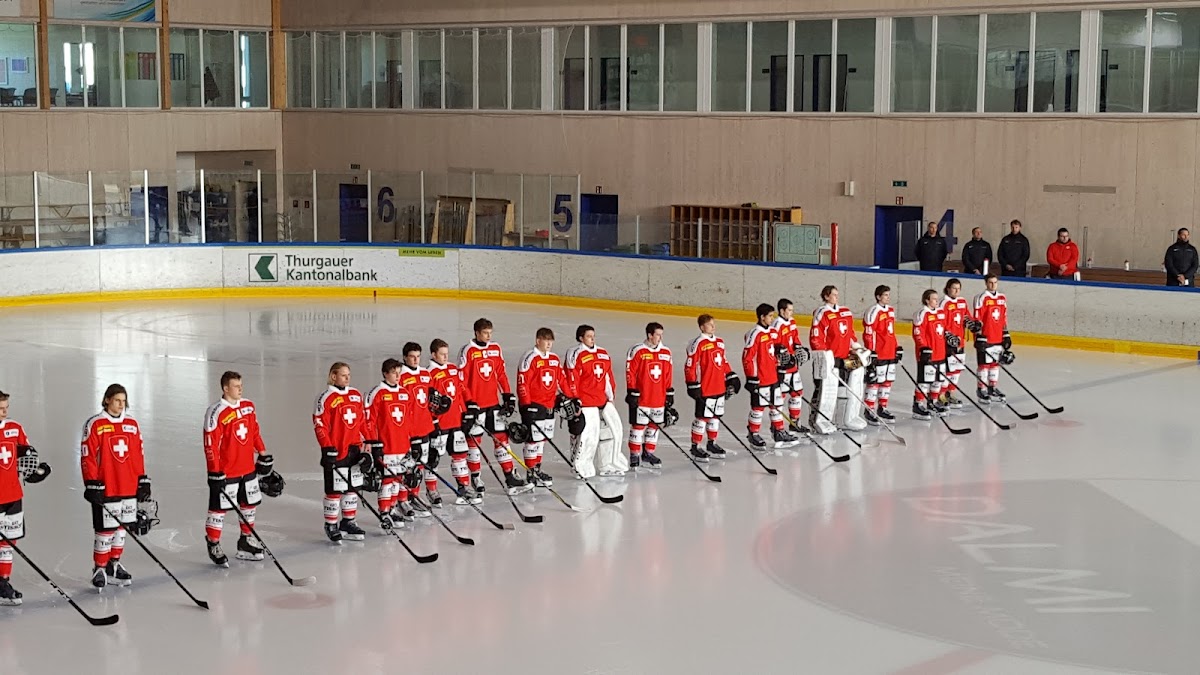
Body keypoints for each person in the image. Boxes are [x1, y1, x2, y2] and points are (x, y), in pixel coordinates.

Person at [202, 371, 278, 567]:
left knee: (249, 506)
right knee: (218, 509)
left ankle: (245, 541)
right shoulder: (216, 412)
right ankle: (213, 543)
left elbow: (254, 432)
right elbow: (210, 444)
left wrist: (263, 453)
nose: (240, 389)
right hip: (226, 472)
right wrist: (214, 471)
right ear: (225, 388)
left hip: (248, 468)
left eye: (241, 385)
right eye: (236, 386)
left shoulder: (248, 406)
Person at [81, 384, 150, 589]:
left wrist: (142, 480)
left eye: (124, 401)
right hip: (106, 486)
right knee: (105, 530)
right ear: (107, 400)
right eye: (117, 400)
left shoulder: (131, 424)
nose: (121, 405)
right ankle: (99, 568)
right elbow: (88, 455)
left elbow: (138, 454)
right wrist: (91, 483)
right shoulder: (95, 424)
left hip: (128, 485)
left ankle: (114, 564)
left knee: (122, 529)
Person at [459, 318, 529, 495]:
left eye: (490, 333)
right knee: (474, 443)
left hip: (493, 405)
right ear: (476, 333)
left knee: (502, 439)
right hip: (476, 407)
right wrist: (469, 402)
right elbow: (461, 380)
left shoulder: (496, 349)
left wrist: (507, 395)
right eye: (485, 333)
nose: (488, 336)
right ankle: (476, 477)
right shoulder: (468, 351)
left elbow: (501, 373)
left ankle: (510, 475)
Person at [0, 391, 51, 605]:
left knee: (8, 541)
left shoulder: (15, 428)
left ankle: (3, 582)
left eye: (6, 408)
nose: (5, 412)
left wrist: (34, 472)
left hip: (12, 494)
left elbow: (26, 454)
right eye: (0, 408)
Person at [313, 362, 369, 543]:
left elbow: (362, 421)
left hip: (354, 449)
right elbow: (319, 424)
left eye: (349, 375)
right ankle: (331, 524)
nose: (347, 378)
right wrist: (327, 447)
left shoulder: (355, 395)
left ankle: (348, 522)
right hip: (336, 450)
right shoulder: (326, 397)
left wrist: (369, 441)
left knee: (352, 488)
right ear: (333, 376)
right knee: (335, 489)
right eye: (343, 375)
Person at [565, 325, 627, 478]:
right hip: (586, 403)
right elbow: (571, 377)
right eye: (588, 336)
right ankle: (581, 466)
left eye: (593, 336)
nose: (592, 339)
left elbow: (608, 377)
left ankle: (608, 463)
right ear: (581, 338)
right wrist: (574, 399)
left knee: (611, 432)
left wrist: (610, 397)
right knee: (589, 436)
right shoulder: (575, 353)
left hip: (602, 401)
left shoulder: (603, 353)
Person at [809, 286, 870, 433]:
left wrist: (856, 347)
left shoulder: (845, 312)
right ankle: (819, 421)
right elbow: (816, 337)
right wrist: (824, 355)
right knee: (825, 391)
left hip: (845, 359)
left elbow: (850, 334)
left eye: (837, 294)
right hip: (830, 360)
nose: (837, 296)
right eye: (833, 294)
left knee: (846, 389)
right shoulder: (822, 313)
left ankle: (845, 419)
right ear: (826, 296)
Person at [517, 328, 573, 486]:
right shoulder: (530, 357)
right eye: (546, 340)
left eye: (551, 340)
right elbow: (523, 382)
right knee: (532, 440)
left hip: (549, 405)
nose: (549, 343)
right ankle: (530, 472)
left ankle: (537, 469)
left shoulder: (554, 359)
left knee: (542, 440)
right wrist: (526, 405)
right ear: (538, 340)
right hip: (534, 406)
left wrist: (571, 397)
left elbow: (561, 380)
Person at [364, 358, 413, 531]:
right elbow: (369, 420)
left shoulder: (404, 393)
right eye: (394, 373)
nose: (398, 376)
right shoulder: (377, 393)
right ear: (385, 374)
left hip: (402, 445)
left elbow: (408, 420)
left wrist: (411, 441)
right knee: (387, 480)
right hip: (387, 445)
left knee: (398, 479)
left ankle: (392, 508)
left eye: (399, 373)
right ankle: (384, 512)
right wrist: (373, 442)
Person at [429, 339, 480, 505]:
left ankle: (464, 487)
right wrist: (432, 421)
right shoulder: (429, 373)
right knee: (434, 458)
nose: (446, 357)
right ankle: (432, 490)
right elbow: (428, 402)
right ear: (433, 354)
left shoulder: (452, 368)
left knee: (460, 455)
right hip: (440, 424)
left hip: (456, 421)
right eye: (442, 354)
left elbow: (461, 387)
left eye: (447, 353)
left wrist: (469, 404)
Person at [742, 304, 798, 450]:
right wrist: (751, 377)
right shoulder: (755, 334)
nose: (772, 319)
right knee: (758, 408)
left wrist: (782, 359)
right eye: (770, 316)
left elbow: (776, 349)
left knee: (777, 405)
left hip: (773, 376)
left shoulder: (772, 332)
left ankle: (779, 431)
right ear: (762, 317)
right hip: (761, 378)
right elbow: (748, 358)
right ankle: (753, 433)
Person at [685, 314, 739, 461]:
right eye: (709, 324)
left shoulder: (720, 342)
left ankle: (711, 443)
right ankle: (695, 446)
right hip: (705, 387)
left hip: (719, 386)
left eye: (713, 323)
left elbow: (724, 362)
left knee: (715, 417)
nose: (713, 326)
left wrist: (731, 376)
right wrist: (692, 383)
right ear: (702, 327)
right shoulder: (697, 343)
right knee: (702, 418)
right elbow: (690, 365)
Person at [625, 322, 673, 469]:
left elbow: (668, 374)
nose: (660, 338)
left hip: (658, 397)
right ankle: (634, 455)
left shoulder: (666, 352)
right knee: (638, 426)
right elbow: (630, 372)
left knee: (654, 426)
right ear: (650, 335)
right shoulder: (637, 350)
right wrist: (632, 391)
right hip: (642, 397)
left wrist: (669, 393)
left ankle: (648, 453)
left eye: (661, 334)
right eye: (658, 334)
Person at [398, 343, 436, 514]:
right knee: (407, 466)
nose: (416, 360)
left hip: (425, 426)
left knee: (420, 465)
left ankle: (414, 495)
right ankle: (402, 499)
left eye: (418, 356)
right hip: (409, 430)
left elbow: (431, 400)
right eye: (412, 357)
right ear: (405, 357)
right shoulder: (401, 375)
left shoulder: (425, 374)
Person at [862, 286, 900, 424]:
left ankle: (882, 407)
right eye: (885, 295)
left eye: (888, 295)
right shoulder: (873, 311)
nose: (888, 297)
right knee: (875, 382)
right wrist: (871, 351)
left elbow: (891, 332)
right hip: (879, 352)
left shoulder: (890, 310)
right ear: (878, 297)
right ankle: (869, 410)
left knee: (887, 381)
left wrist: (896, 347)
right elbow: (868, 333)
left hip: (889, 352)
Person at [770, 298, 810, 429]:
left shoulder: (792, 321)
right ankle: (777, 426)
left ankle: (794, 422)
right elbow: (772, 345)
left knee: (797, 392)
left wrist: (799, 348)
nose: (791, 313)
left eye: (792, 310)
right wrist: (780, 354)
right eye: (789, 310)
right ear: (782, 311)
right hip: (782, 367)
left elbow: (795, 338)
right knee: (780, 396)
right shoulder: (776, 324)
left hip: (793, 365)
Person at [972, 273, 1011, 403]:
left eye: (995, 282)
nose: (993, 285)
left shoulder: (1002, 298)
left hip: (998, 337)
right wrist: (979, 336)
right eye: (990, 282)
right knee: (984, 365)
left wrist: (1006, 334)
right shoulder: (981, 298)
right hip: (985, 337)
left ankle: (992, 388)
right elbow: (977, 318)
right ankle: (981, 389)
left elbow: (1004, 317)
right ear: (986, 283)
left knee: (995, 364)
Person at [911, 291, 949, 421]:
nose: (937, 301)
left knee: (938, 380)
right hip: (927, 354)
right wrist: (923, 347)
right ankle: (918, 404)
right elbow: (917, 333)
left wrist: (949, 338)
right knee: (924, 381)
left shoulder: (940, 312)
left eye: (937, 299)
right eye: (934, 299)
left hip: (940, 353)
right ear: (927, 300)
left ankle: (933, 401)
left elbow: (944, 329)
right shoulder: (921, 313)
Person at [938, 279, 970, 409]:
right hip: (947, 343)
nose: (956, 291)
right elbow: (939, 321)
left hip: (960, 341)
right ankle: (941, 394)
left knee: (956, 370)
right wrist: (947, 335)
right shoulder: (944, 303)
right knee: (947, 370)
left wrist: (971, 323)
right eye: (953, 288)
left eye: (958, 288)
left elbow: (967, 316)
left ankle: (950, 393)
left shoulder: (962, 302)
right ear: (948, 289)